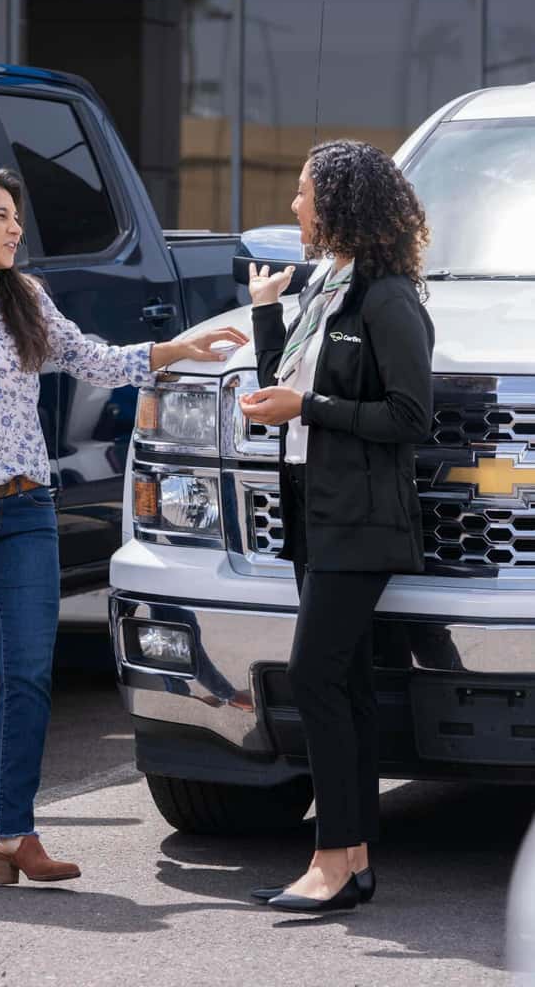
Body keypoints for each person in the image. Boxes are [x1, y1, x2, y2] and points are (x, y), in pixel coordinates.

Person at [0, 168, 246, 886]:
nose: (16, 230)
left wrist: (174, 352)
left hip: (24, 509)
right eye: (1, 216)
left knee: (28, 670)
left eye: (16, 218)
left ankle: (12, 832)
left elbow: (95, 360)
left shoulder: (27, 302)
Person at [239, 140, 434, 914]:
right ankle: (352, 859)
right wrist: (265, 316)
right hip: (311, 511)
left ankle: (329, 857)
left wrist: (309, 408)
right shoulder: (328, 290)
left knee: (315, 675)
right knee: (342, 682)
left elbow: (409, 416)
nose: (294, 207)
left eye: (303, 193)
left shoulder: (389, 300)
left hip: (361, 518)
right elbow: (279, 392)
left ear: (342, 204)